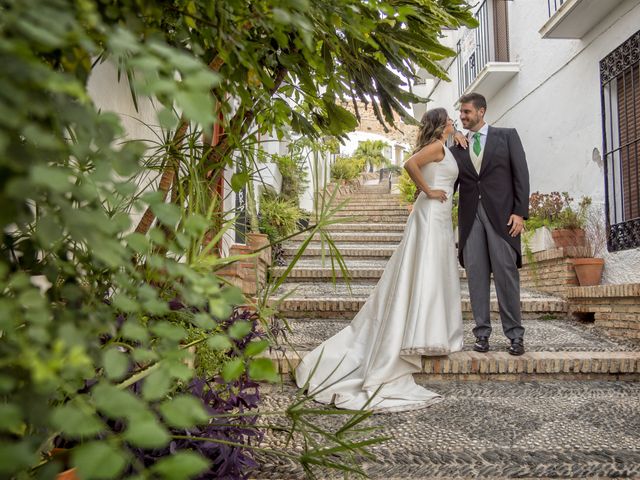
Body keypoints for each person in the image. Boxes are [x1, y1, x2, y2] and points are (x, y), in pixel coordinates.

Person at [295, 108, 463, 412]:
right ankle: (420, 334)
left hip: (437, 216)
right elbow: (411, 165)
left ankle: (429, 332)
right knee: (425, 272)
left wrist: (457, 139)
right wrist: (427, 191)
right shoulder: (437, 147)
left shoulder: (445, 145)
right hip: (432, 211)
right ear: (440, 125)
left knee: (432, 274)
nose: (454, 122)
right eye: (450, 119)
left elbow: (428, 161)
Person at [449, 92, 530, 356]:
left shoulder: (507, 137)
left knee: (506, 275)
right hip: (470, 218)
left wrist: (520, 213)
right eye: (460, 113)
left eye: (467, 112)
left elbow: (521, 175)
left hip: (503, 218)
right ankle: (481, 334)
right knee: (476, 277)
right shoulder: (457, 147)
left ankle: (515, 336)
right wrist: (450, 135)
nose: (462, 117)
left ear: (481, 111)